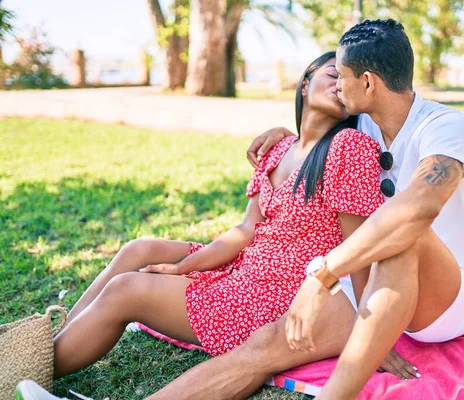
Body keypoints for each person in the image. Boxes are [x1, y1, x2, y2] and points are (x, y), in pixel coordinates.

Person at [146, 18, 464, 400]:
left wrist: (324, 272)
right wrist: (286, 136)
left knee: (403, 236)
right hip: (367, 280)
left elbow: (419, 208)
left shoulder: (446, 125)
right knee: (266, 344)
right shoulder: (364, 124)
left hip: (447, 296)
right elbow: (316, 136)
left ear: (367, 84)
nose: (338, 88)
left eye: (340, 77)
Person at [29, 51, 385, 385]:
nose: (340, 85)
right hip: (246, 266)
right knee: (139, 249)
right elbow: (246, 230)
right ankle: (52, 343)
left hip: (274, 296)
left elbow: (358, 248)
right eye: (333, 74)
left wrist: (370, 330)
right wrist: (184, 267)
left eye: (349, 80)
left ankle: (28, 372)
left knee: (126, 290)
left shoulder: (349, 147)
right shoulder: (278, 149)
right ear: (304, 84)